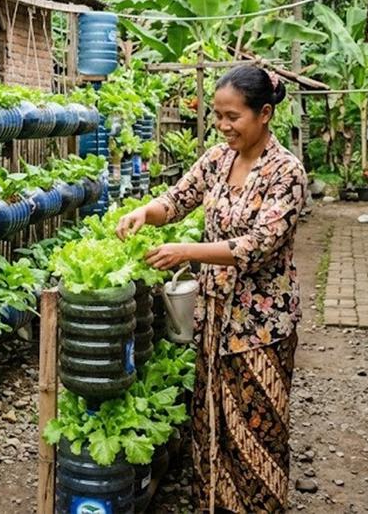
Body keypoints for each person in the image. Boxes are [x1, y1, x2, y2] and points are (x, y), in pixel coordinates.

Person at [116, 65, 307, 513]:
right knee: (212, 419)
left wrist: (189, 250)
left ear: (264, 114)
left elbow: (258, 245)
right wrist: (146, 211)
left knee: (258, 427)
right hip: (215, 317)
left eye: (232, 117)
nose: (223, 126)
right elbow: (177, 199)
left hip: (261, 325)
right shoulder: (217, 159)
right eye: (218, 117)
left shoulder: (286, 172)